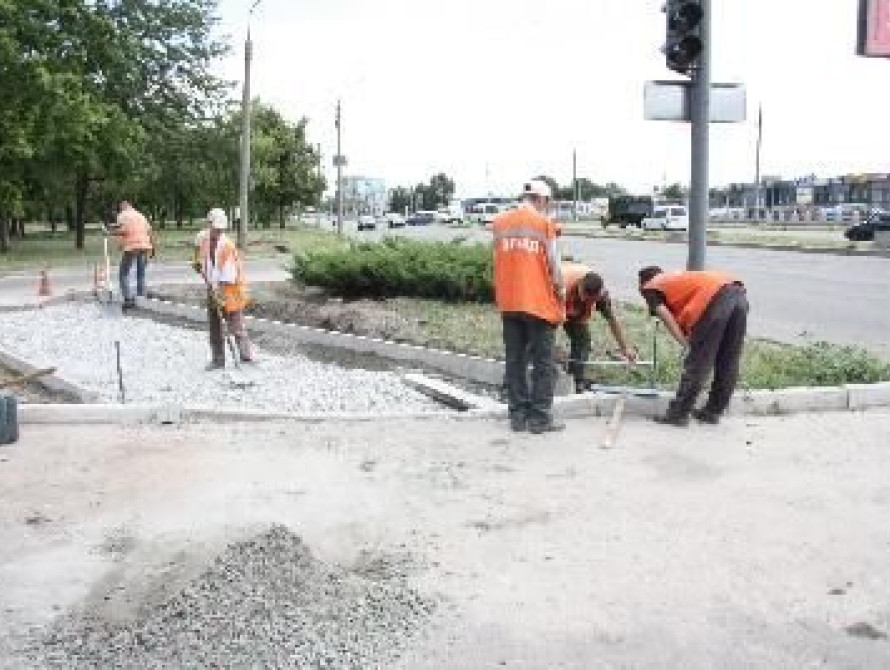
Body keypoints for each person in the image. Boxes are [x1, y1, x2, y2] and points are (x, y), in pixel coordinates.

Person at [493, 179, 565, 434]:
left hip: (509, 302)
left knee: (515, 361)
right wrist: (560, 292)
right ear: (542, 200)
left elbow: (497, 260)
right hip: (538, 303)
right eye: (548, 202)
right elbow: (555, 268)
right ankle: (540, 418)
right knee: (544, 363)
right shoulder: (544, 224)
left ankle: (517, 416)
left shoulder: (499, 223)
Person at [638, 266, 749, 426]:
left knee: (698, 363)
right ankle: (713, 411)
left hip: (715, 300)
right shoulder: (674, 278)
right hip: (738, 294)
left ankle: (678, 414)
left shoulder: (650, 287)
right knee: (728, 361)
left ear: (642, 283)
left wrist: (686, 344)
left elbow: (666, 317)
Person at [561, 261, 637, 393]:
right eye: (584, 297)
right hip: (553, 303)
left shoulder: (601, 296)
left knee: (583, 341)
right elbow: (547, 322)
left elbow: (612, 321)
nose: (586, 301)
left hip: (574, 312)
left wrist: (625, 348)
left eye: (590, 300)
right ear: (580, 286)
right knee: (541, 344)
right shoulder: (562, 284)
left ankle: (575, 379)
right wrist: (550, 348)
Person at [192, 208, 254, 369]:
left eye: (221, 229)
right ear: (209, 224)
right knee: (215, 326)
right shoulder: (203, 239)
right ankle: (218, 360)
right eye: (216, 229)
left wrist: (219, 294)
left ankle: (246, 357)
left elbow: (228, 275)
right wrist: (198, 264)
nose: (218, 232)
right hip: (213, 288)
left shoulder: (227, 245)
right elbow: (199, 256)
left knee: (236, 325)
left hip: (230, 290)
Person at [112, 201, 153, 310]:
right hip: (145, 246)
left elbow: (123, 230)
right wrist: (152, 249)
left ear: (122, 207)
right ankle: (141, 297)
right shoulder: (140, 215)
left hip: (132, 246)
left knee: (123, 273)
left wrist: (109, 233)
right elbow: (149, 231)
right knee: (141, 273)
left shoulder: (122, 215)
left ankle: (128, 300)